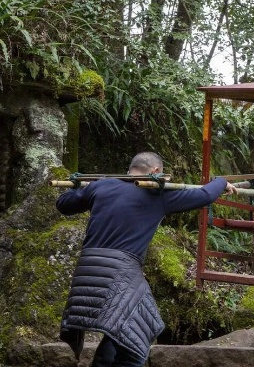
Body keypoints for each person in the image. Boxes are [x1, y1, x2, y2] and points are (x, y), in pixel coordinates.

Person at [56, 151, 237, 366]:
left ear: (130, 169)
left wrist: (81, 186)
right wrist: (221, 181)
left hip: (86, 271)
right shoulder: (157, 194)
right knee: (140, 334)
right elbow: (206, 195)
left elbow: (63, 204)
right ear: (157, 171)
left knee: (122, 330)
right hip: (119, 272)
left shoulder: (100, 186)